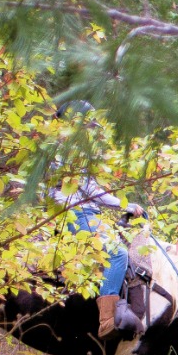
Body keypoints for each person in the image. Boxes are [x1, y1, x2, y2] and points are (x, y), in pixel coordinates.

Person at [50, 101, 145, 339]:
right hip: (78, 215)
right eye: (88, 126)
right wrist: (127, 205)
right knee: (118, 253)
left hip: (83, 214)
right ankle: (107, 320)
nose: (92, 131)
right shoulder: (69, 151)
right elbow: (90, 190)